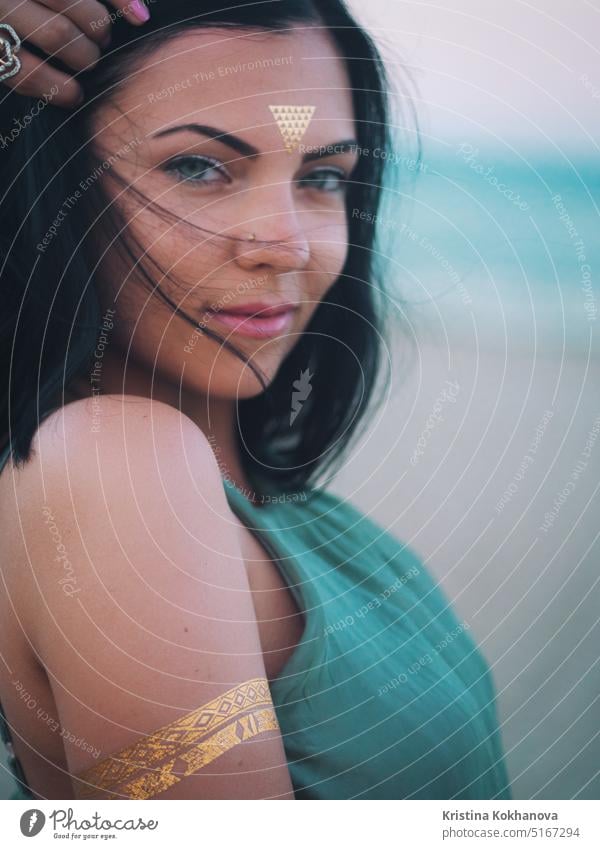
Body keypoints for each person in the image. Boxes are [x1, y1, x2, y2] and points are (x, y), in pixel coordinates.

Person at [0, 0, 512, 800]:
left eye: (321, 177)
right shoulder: (115, 471)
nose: (284, 243)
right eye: (199, 167)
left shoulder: (304, 524)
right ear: (52, 188)